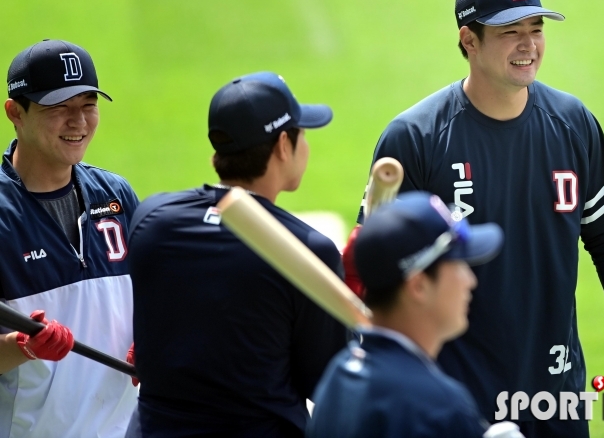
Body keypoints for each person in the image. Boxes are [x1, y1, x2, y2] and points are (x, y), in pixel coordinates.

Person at [348, 0, 604, 436]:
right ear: (469, 40)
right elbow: (374, 268)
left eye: (536, 29)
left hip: (555, 399)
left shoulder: (574, 124)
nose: (528, 44)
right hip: (454, 400)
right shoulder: (416, 138)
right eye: (509, 31)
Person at [125, 71, 348, 437]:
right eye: (301, 132)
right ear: (282, 145)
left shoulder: (151, 220)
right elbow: (327, 382)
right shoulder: (307, 252)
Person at [0, 39, 139, 437]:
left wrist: (155, 341)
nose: (78, 121)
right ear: (16, 113)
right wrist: (22, 346)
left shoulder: (117, 195)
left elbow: (157, 298)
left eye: (87, 105)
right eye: (59, 107)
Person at [309, 192, 521, 438]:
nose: (470, 280)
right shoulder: (439, 407)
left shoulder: (338, 376)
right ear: (418, 285)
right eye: (458, 264)